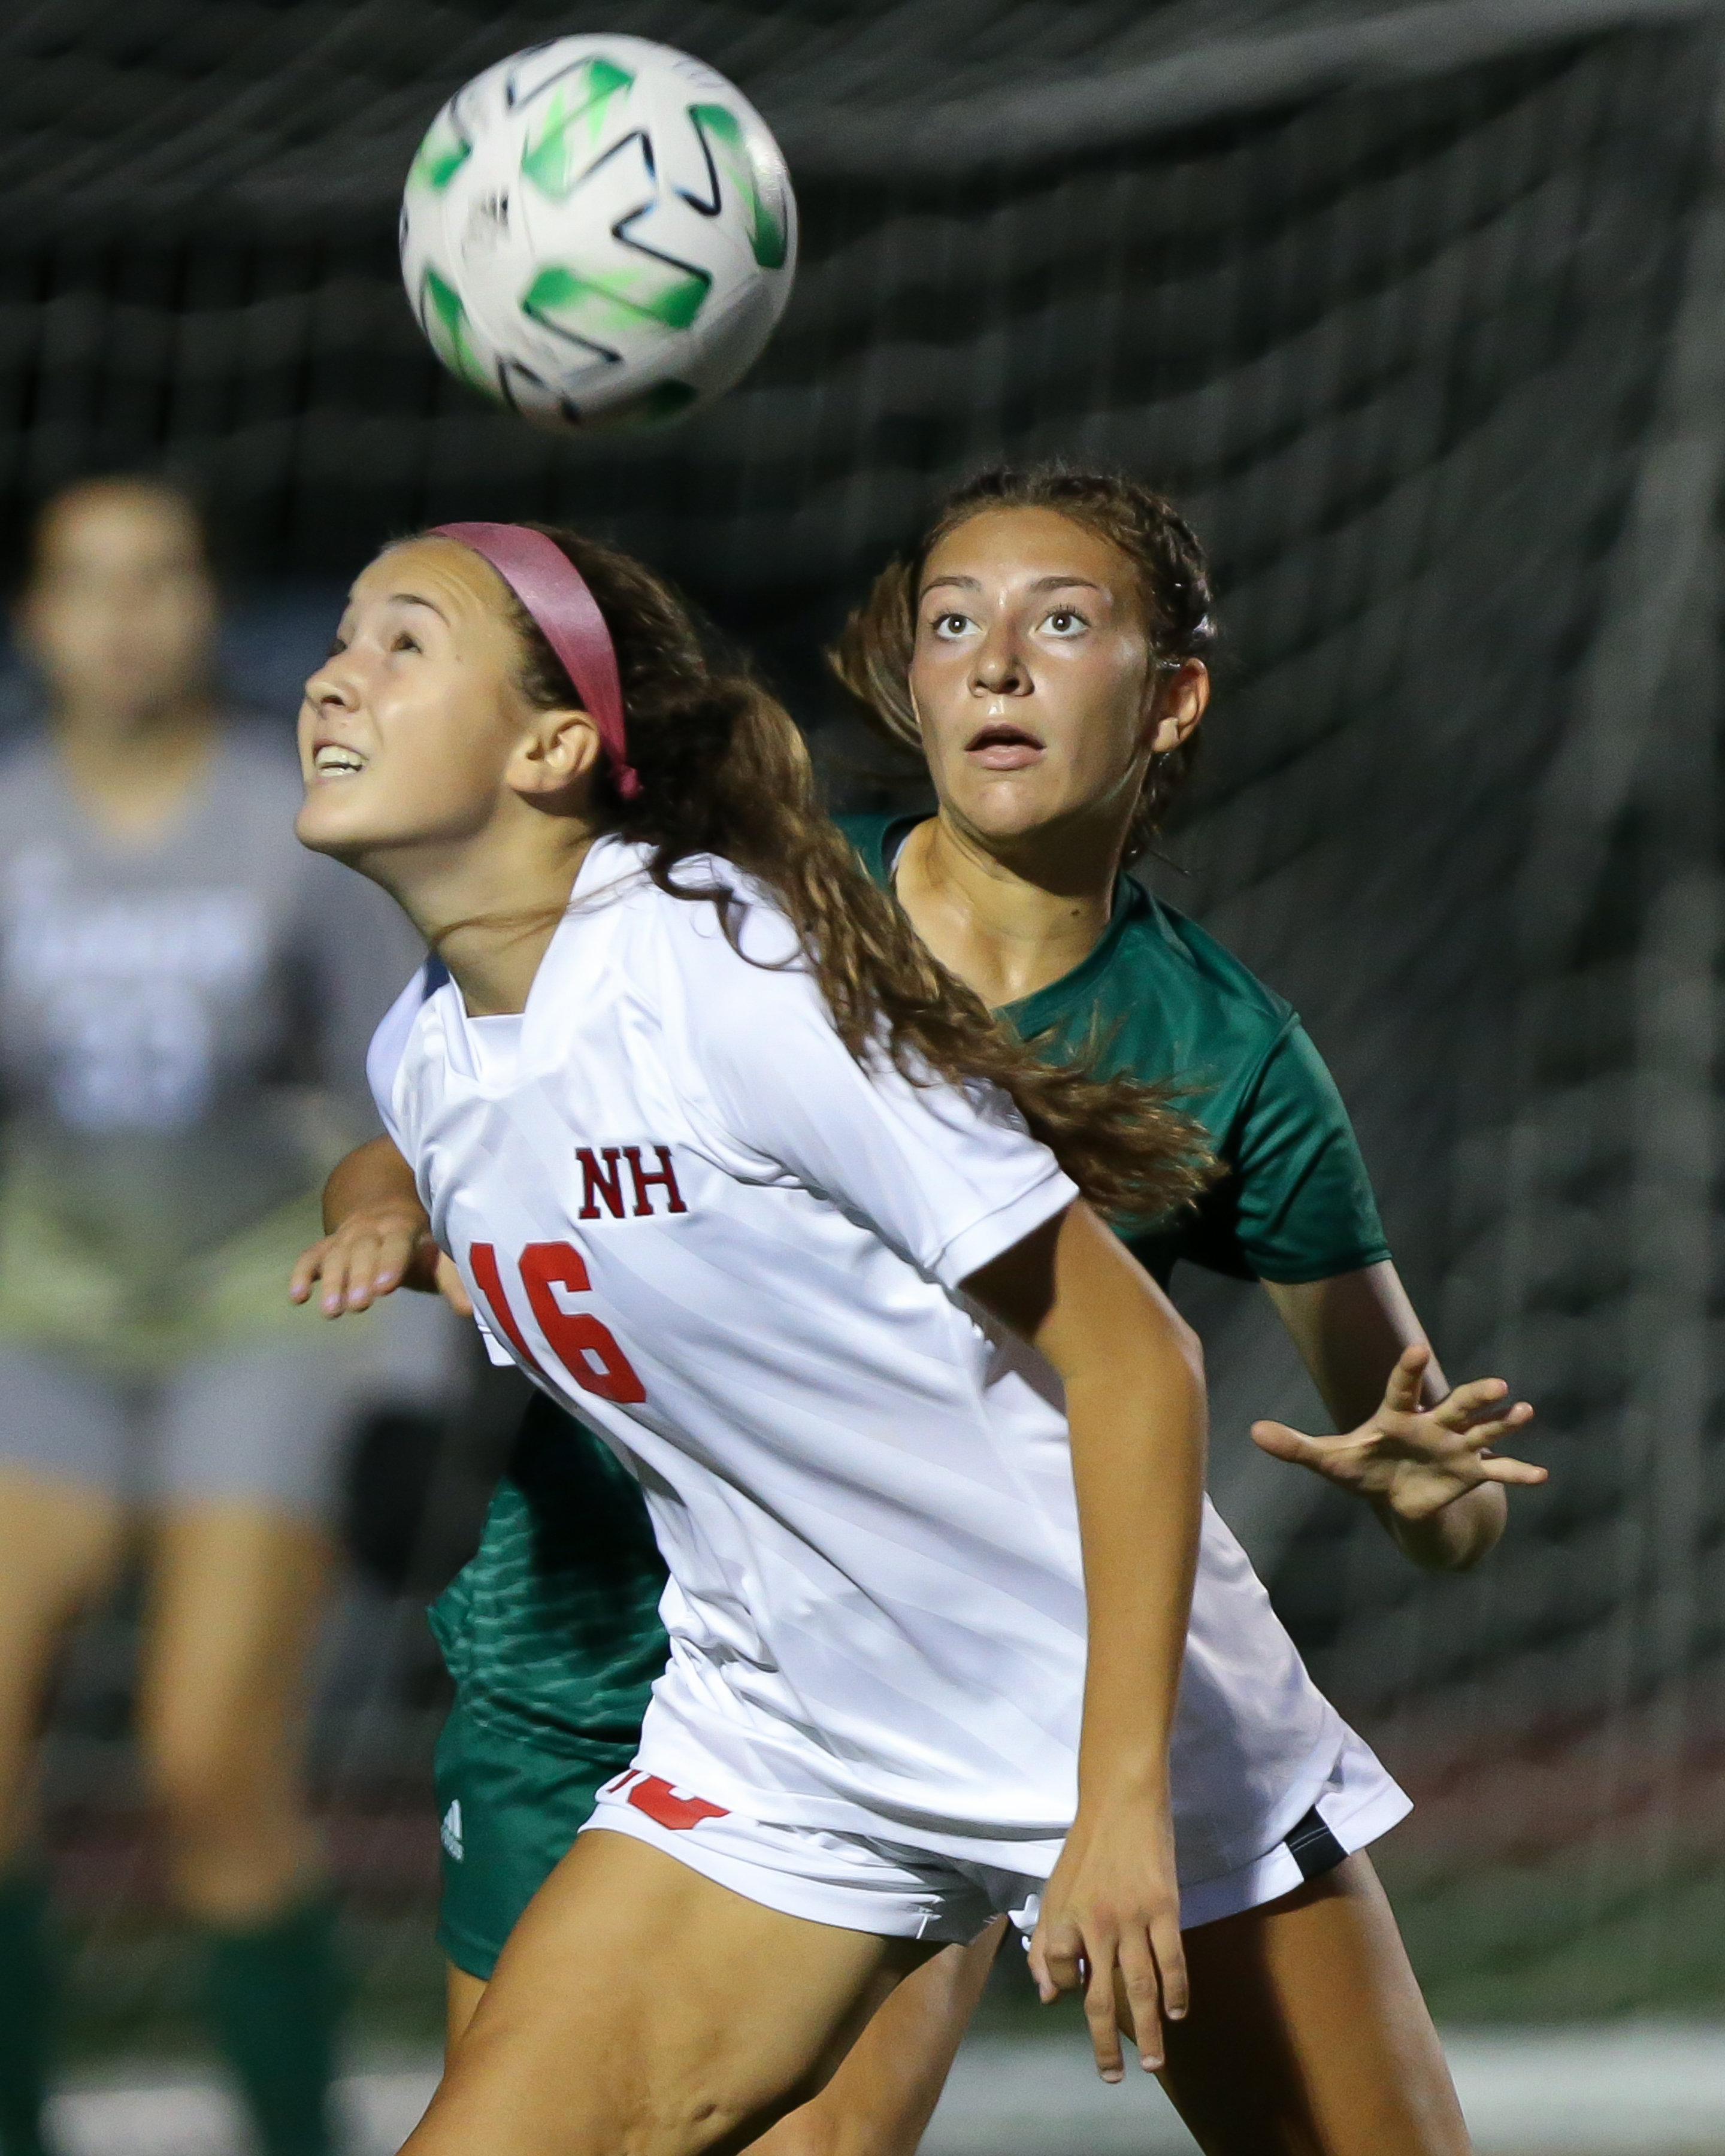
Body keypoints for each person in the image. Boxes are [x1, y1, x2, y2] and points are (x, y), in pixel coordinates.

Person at [292, 516, 1537, 2155]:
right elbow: (448, 1139)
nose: (332, 673)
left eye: (404, 641)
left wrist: (1116, 1808)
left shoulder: (730, 974)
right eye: (344, 630)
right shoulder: (434, 1051)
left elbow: (1140, 1360)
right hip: (788, 1730)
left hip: (1093, 1701)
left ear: (555, 744)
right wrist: (385, 1216)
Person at [0, 477, 441, 2156]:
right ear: (36, 620)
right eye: (86, 582)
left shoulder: (296, 821)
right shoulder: (8, 825)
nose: (125, 614)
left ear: (208, 606)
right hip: (40, 1311)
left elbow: (389, 1102)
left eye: (163, 575)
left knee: (206, 1764)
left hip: (259, 1309)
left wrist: (402, 1349)